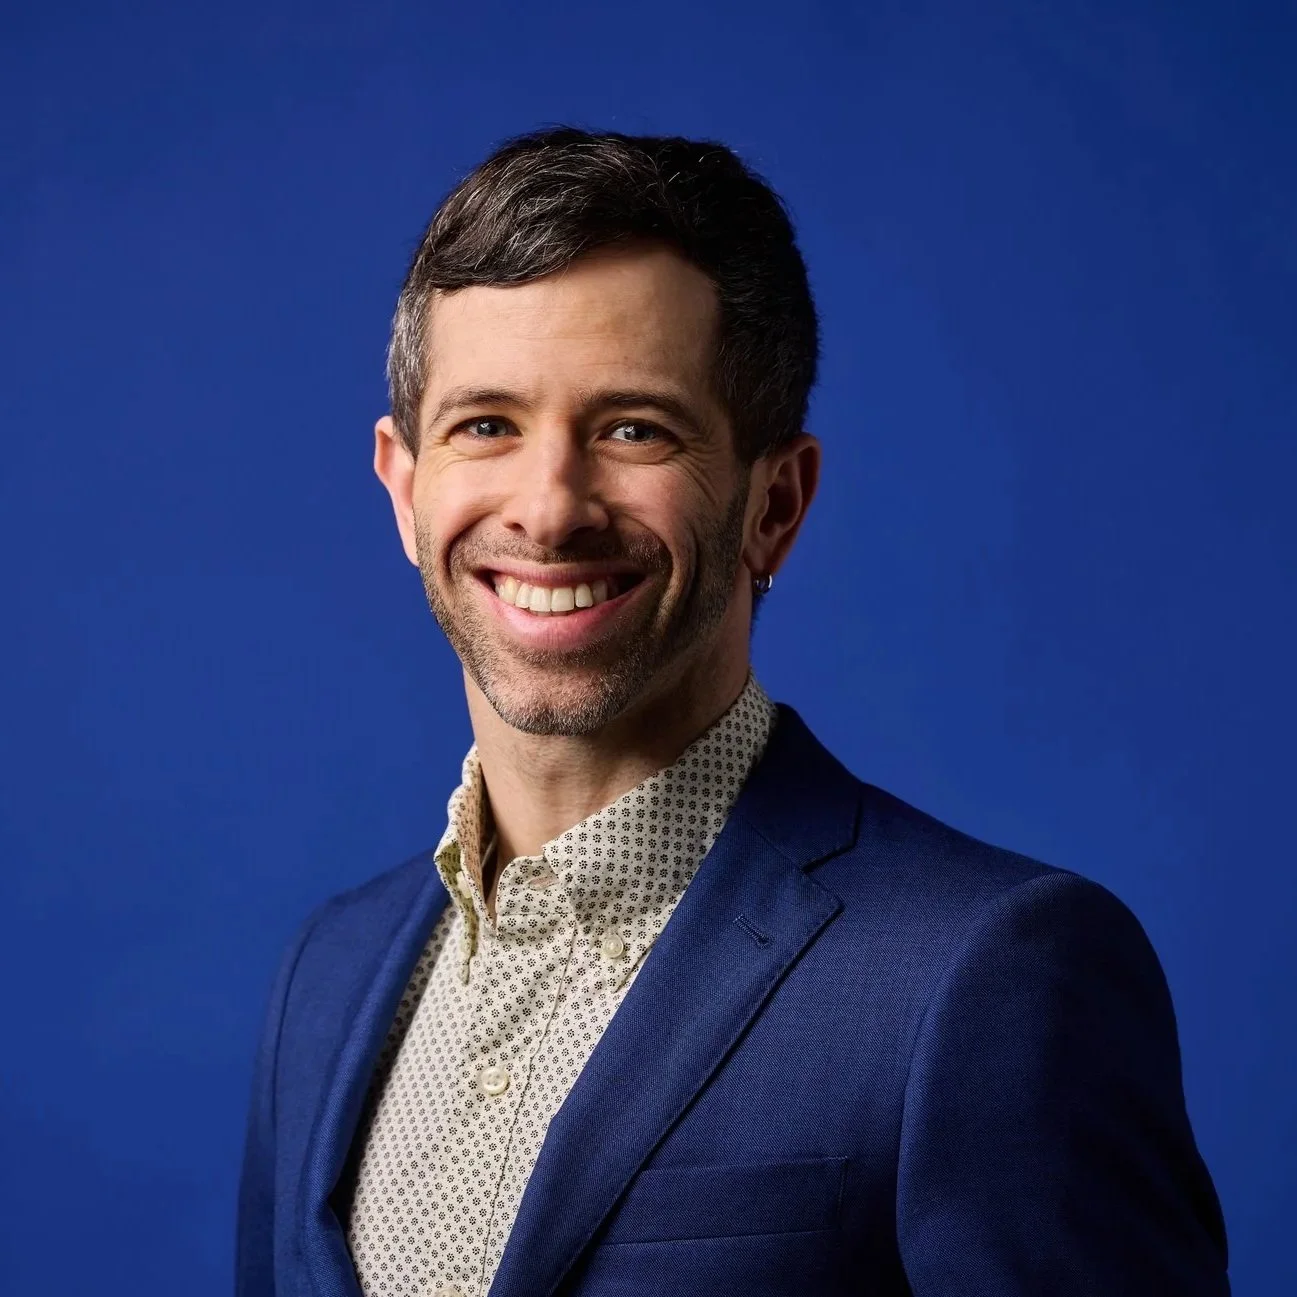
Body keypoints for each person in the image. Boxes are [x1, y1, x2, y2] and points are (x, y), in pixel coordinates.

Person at [235, 127, 1230, 1297]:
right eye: (486, 425)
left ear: (775, 504)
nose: (548, 508)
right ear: (405, 487)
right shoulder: (328, 973)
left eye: (632, 429)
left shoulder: (987, 972)